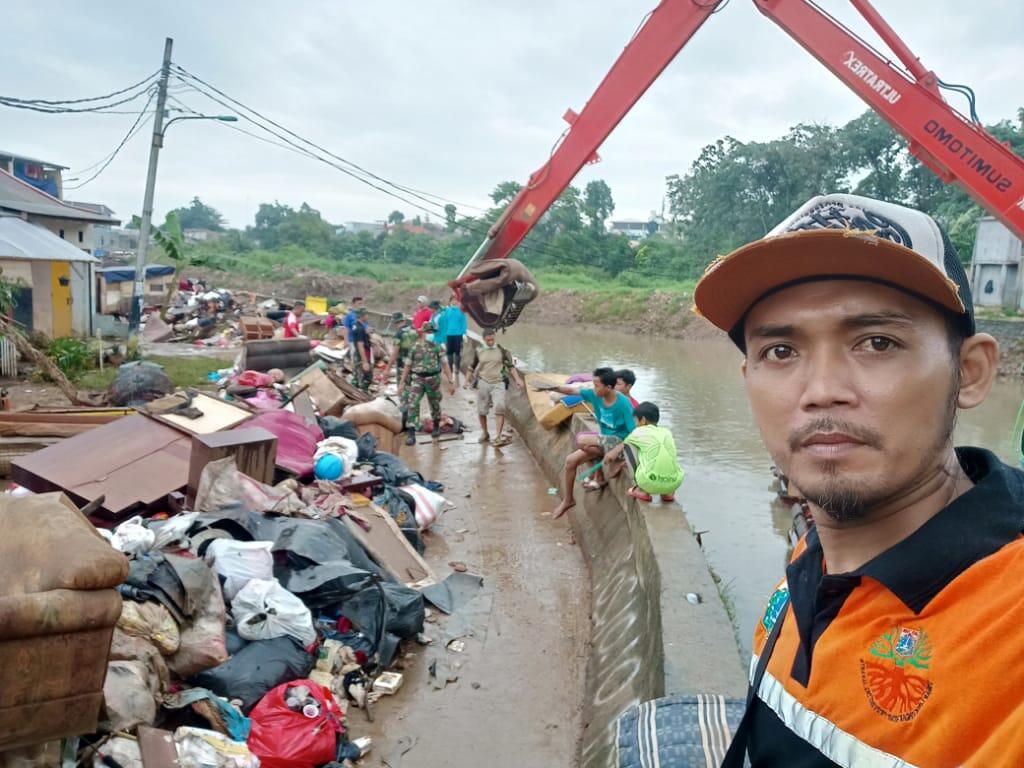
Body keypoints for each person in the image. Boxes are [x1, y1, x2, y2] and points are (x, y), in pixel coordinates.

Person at [692, 193, 1009, 766]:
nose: (820, 390)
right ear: (748, 378)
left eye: (877, 343)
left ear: (969, 372)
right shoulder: (810, 556)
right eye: (781, 350)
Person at [548, 367, 636, 519]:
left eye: (596, 385)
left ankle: (609, 465)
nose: (593, 389)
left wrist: (616, 451)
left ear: (608, 388)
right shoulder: (596, 396)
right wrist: (552, 387)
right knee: (570, 461)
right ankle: (568, 500)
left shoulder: (623, 404)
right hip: (604, 441)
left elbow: (635, 434)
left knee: (583, 439)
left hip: (620, 443)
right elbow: (572, 392)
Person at [604, 402, 683, 503]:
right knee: (665, 450)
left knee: (629, 445)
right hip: (675, 482)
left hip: (648, 481)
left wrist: (610, 456)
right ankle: (668, 493)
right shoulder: (666, 432)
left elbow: (619, 449)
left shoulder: (638, 432)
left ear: (643, 420)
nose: (635, 424)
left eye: (636, 421)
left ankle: (642, 490)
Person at [399, 321, 456, 445]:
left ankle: (436, 426)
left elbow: (445, 364)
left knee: (435, 403)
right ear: (423, 333)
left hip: (433, 379)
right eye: (429, 332)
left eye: (432, 332)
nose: (431, 334)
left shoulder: (438, 346)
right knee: (413, 404)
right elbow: (407, 366)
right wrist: (402, 382)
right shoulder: (415, 347)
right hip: (417, 379)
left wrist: (451, 381)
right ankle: (411, 433)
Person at [468, 328, 523, 446]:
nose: (491, 342)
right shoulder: (479, 350)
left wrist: (518, 379)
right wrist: (467, 380)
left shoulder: (501, 350)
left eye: (492, 339)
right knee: (482, 410)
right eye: (488, 340)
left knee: (500, 407)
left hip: (499, 382)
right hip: (483, 382)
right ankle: (485, 432)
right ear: (484, 340)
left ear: (495, 337)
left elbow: (511, 366)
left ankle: (497, 436)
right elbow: (472, 366)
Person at [387, 312, 417, 390]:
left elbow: (395, 353)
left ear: (395, 322)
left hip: (402, 365)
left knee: (403, 387)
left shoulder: (398, 334)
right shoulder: (413, 329)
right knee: (412, 387)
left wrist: (388, 368)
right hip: (414, 363)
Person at [444, 296, 468, 386]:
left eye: (456, 300)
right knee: (449, 352)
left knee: (458, 352)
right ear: (450, 301)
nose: (454, 302)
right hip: (448, 334)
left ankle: (457, 368)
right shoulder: (446, 311)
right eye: (453, 300)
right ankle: (450, 369)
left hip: (458, 334)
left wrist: (464, 333)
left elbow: (463, 322)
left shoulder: (461, 311)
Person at [350, 307, 373, 391]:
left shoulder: (356, 326)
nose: (367, 316)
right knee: (366, 378)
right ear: (362, 316)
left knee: (357, 377)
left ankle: (353, 393)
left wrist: (366, 332)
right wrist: (365, 361)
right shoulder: (360, 329)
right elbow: (360, 345)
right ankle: (363, 396)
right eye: (366, 314)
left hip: (359, 354)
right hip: (362, 355)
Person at [343, 296, 364, 364]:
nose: (361, 306)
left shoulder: (362, 315)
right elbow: (346, 328)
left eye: (362, 304)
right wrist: (346, 341)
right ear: (353, 304)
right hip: (353, 340)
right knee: (354, 357)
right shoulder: (349, 315)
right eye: (359, 304)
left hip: (362, 340)